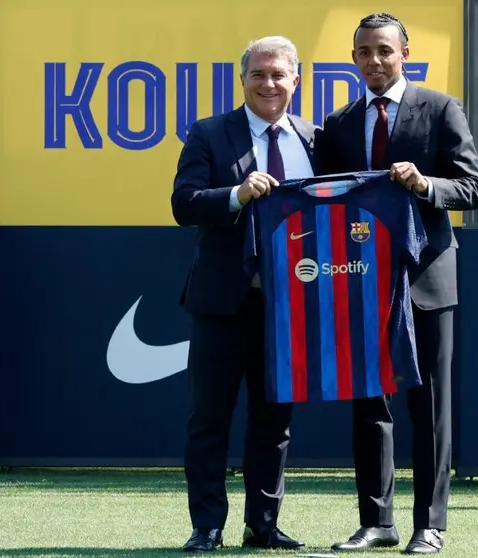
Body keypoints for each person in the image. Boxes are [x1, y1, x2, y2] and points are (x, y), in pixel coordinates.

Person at [317, 13, 478, 555]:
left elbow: (472, 188)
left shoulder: (440, 108)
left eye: (384, 51)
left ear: (405, 53)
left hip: (426, 279)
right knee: (370, 404)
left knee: (429, 407)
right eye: (364, 52)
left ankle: (430, 524)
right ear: (354, 58)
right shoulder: (338, 123)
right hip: (360, 279)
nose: (374, 61)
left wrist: (424, 184)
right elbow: (324, 201)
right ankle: (377, 522)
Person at [170, 35, 319, 553]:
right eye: (258, 74)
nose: (269, 84)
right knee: (209, 419)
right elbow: (184, 203)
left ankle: (264, 524)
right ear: (242, 80)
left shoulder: (315, 138)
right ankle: (206, 526)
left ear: (296, 80)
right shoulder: (210, 133)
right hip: (222, 303)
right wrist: (237, 194)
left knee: (274, 422)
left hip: (290, 307)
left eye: (279, 74)